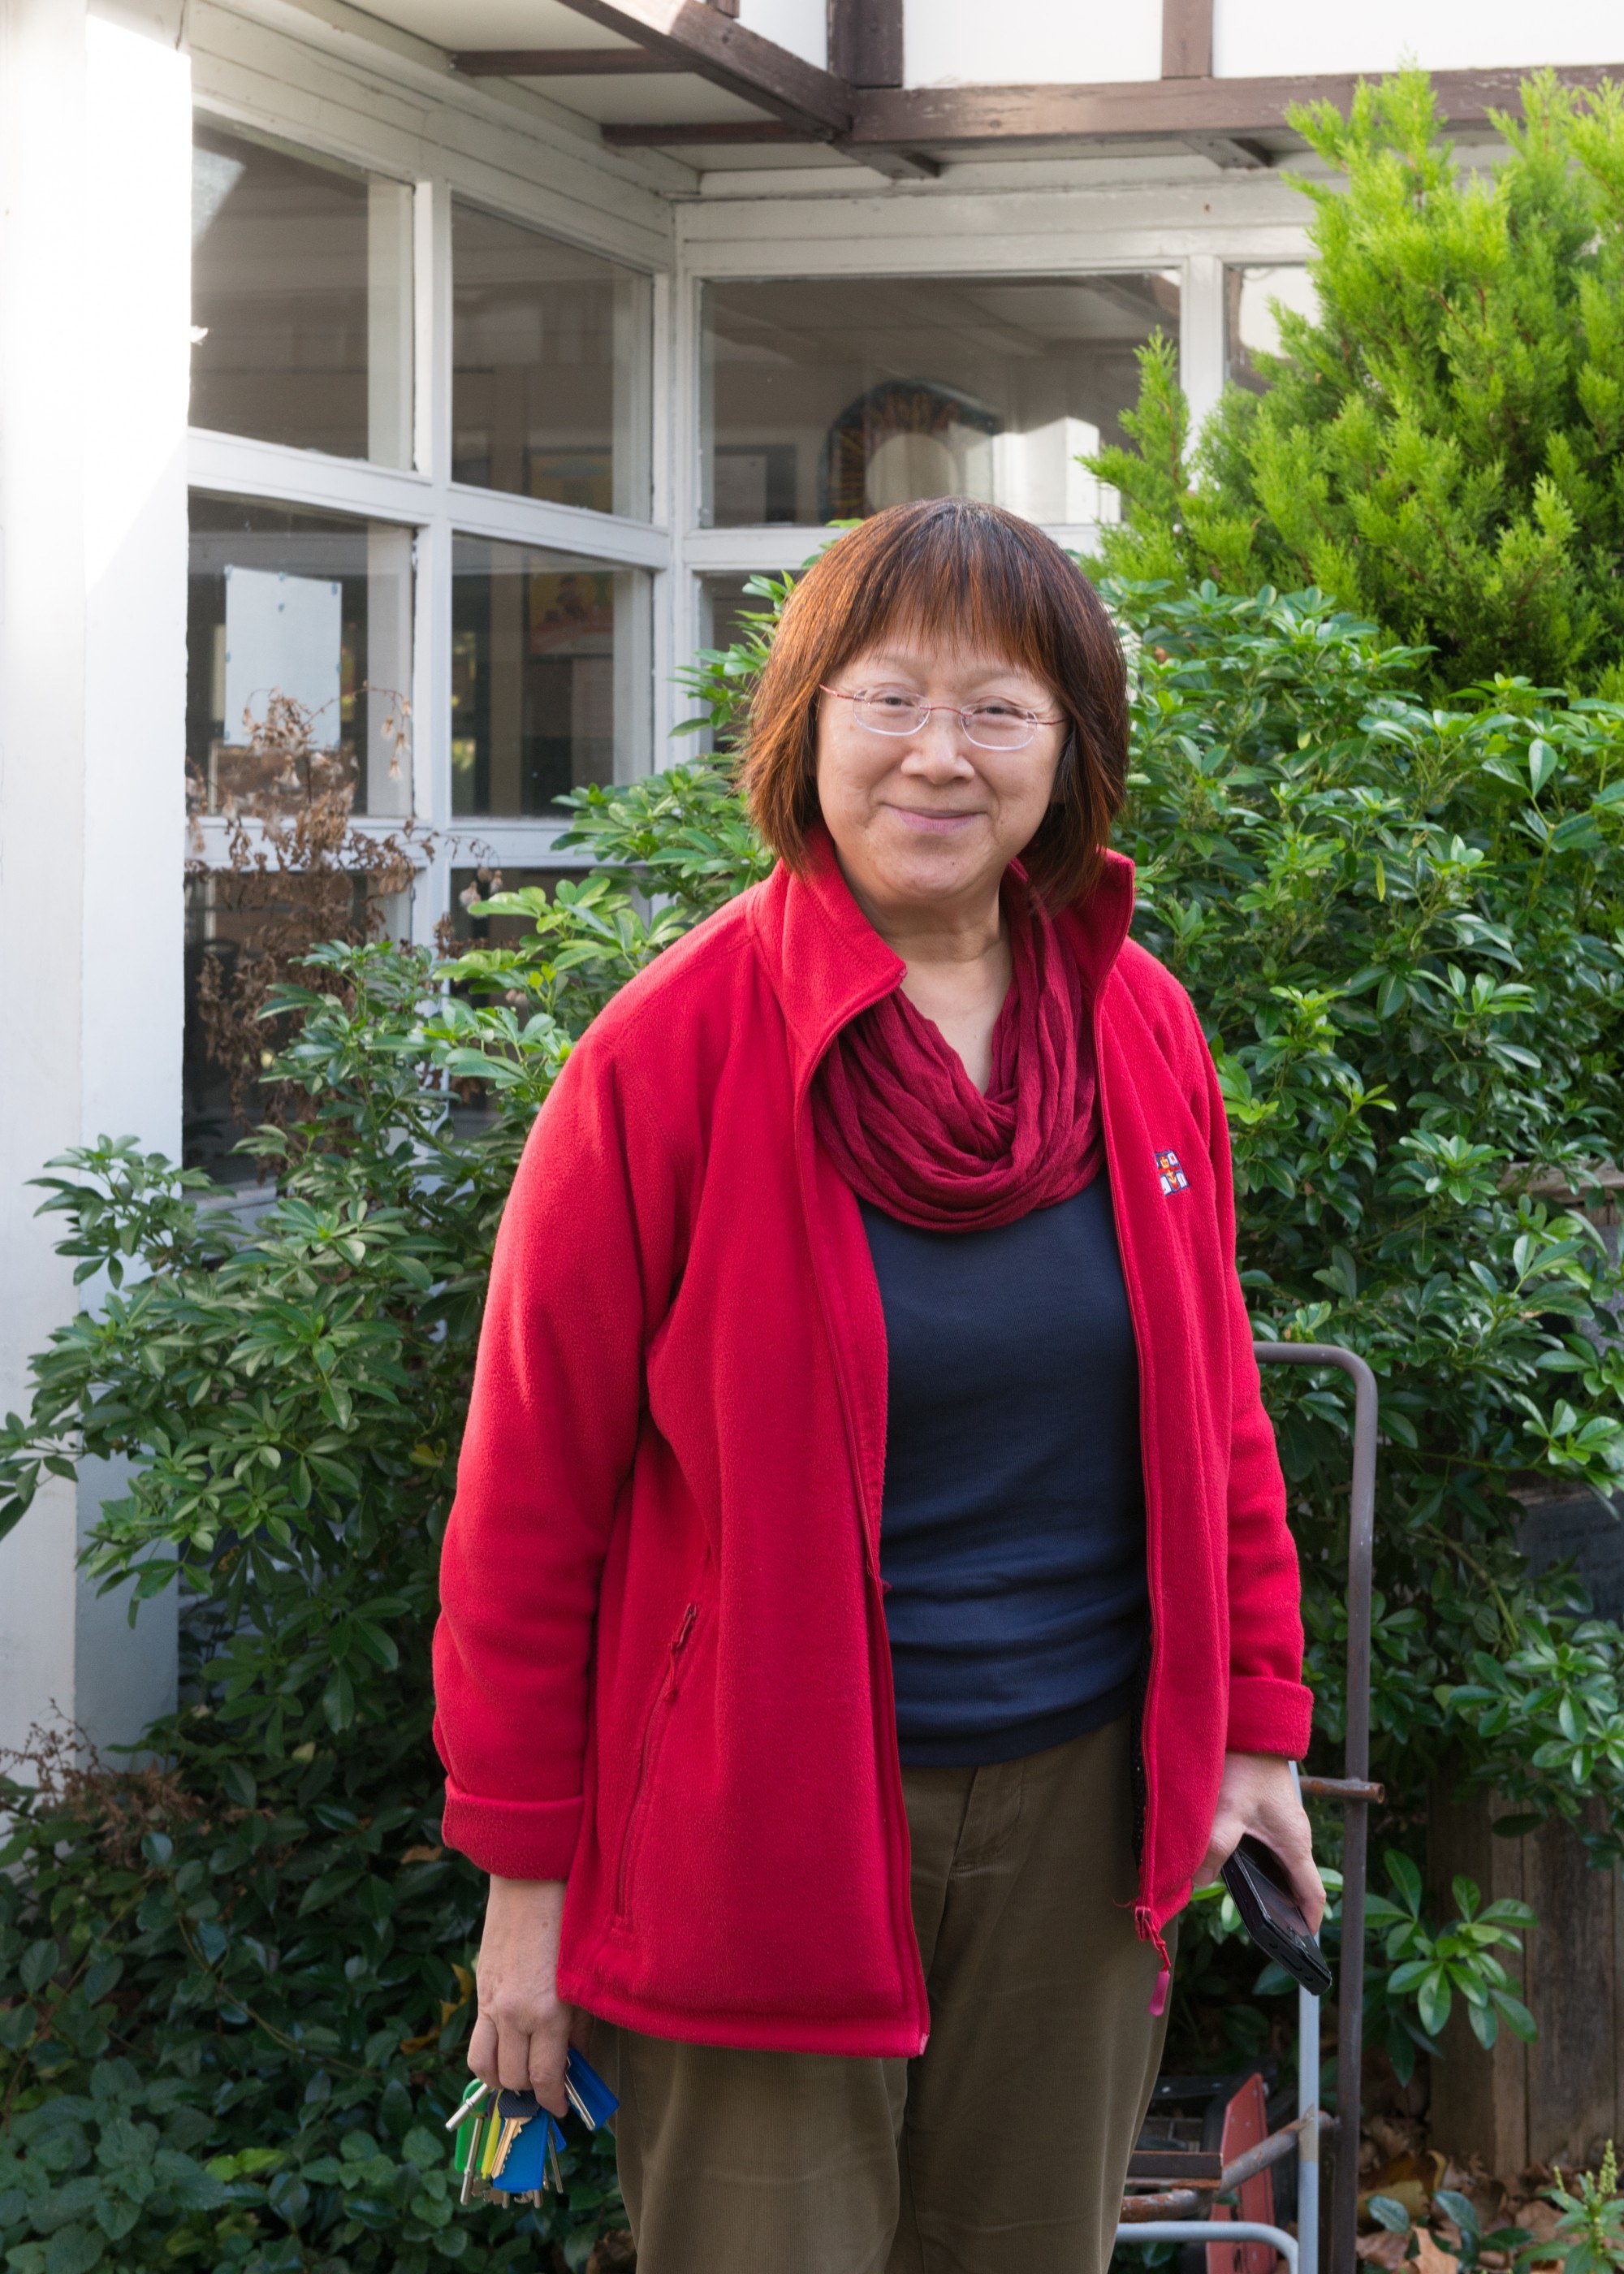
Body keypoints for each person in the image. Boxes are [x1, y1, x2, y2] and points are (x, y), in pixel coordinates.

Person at [432, 497, 1324, 2274]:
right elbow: (529, 1502)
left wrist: (1251, 1725)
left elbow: (1213, 1403)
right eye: (890, 696)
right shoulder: (664, 1059)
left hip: (1078, 1813)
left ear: (1068, 753)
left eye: (999, 707)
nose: (940, 752)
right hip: (755, 1817)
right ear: (805, 725)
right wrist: (520, 1893)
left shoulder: (1136, 1026)